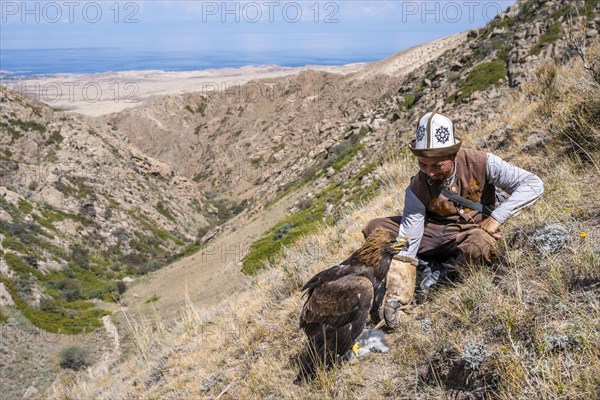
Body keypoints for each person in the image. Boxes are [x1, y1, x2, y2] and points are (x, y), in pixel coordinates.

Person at [364, 112, 544, 328]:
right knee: (375, 229)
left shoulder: (483, 162)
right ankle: (424, 271)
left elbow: (532, 184)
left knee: (479, 244)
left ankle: (448, 272)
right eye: (423, 165)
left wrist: (496, 218)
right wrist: (398, 298)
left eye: (437, 165)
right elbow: (409, 236)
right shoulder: (417, 187)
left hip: (469, 233)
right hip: (431, 234)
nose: (429, 173)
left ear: (453, 155)